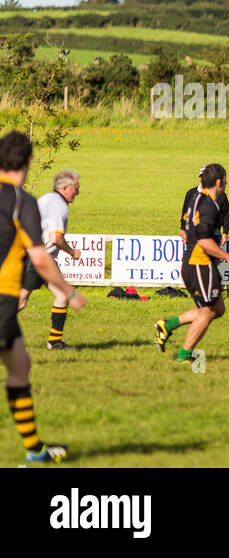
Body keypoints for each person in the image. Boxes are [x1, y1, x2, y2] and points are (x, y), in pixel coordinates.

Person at [0, 131, 87, 463]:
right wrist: (69, 292)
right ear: (28, 161)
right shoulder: (22, 201)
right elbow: (39, 257)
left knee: (20, 361)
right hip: (1, 299)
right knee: (19, 368)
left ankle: (35, 450)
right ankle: (34, 451)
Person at [153, 164, 229, 363]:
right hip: (198, 264)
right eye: (225, 181)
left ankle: (166, 326)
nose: (226, 184)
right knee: (208, 311)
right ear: (218, 182)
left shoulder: (197, 199)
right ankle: (184, 355)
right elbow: (204, 241)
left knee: (217, 308)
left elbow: (185, 229)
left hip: (199, 263)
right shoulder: (208, 205)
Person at [17, 169, 82, 349]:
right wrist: (72, 252)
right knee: (21, 300)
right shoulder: (58, 205)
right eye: (76, 187)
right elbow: (56, 238)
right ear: (65, 187)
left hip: (39, 255)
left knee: (62, 294)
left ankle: (55, 341)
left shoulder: (48, 198)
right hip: (37, 257)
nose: (78, 191)